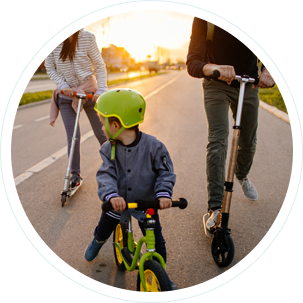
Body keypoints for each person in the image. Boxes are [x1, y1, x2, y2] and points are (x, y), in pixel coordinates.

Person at [186, 9, 279, 231]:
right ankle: (215, 208)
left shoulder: (259, 12)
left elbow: (270, 48)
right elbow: (193, 63)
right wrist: (214, 68)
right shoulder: (204, 16)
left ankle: (242, 174)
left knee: (248, 140)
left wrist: (267, 71)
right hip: (216, 83)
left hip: (247, 82)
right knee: (218, 140)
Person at [84, 88, 179, 292]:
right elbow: (106, 175)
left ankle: (160, 274)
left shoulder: (155, 146)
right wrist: (112, 196)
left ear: (116, 124)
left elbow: (165, 173)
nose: (101, 128)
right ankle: (98, 240)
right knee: (105, 226)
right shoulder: (108, 149)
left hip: (146, 203)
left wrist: (163, 194)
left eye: (103, 123)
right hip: (117, 203)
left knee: (157, 244)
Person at [45, 9, 107, 191]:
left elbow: (100, 66)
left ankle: (117, 168)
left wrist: (101, 90)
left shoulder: (88, 38)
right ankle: (75, 176)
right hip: (67, 95)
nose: (75, 21)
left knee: (102, 133)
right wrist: (63, 85)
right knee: (74, 136)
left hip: (90, 93)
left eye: (78, 17)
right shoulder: (53, 40)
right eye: (71, 17)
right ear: (64, 18)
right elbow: (50, 67)